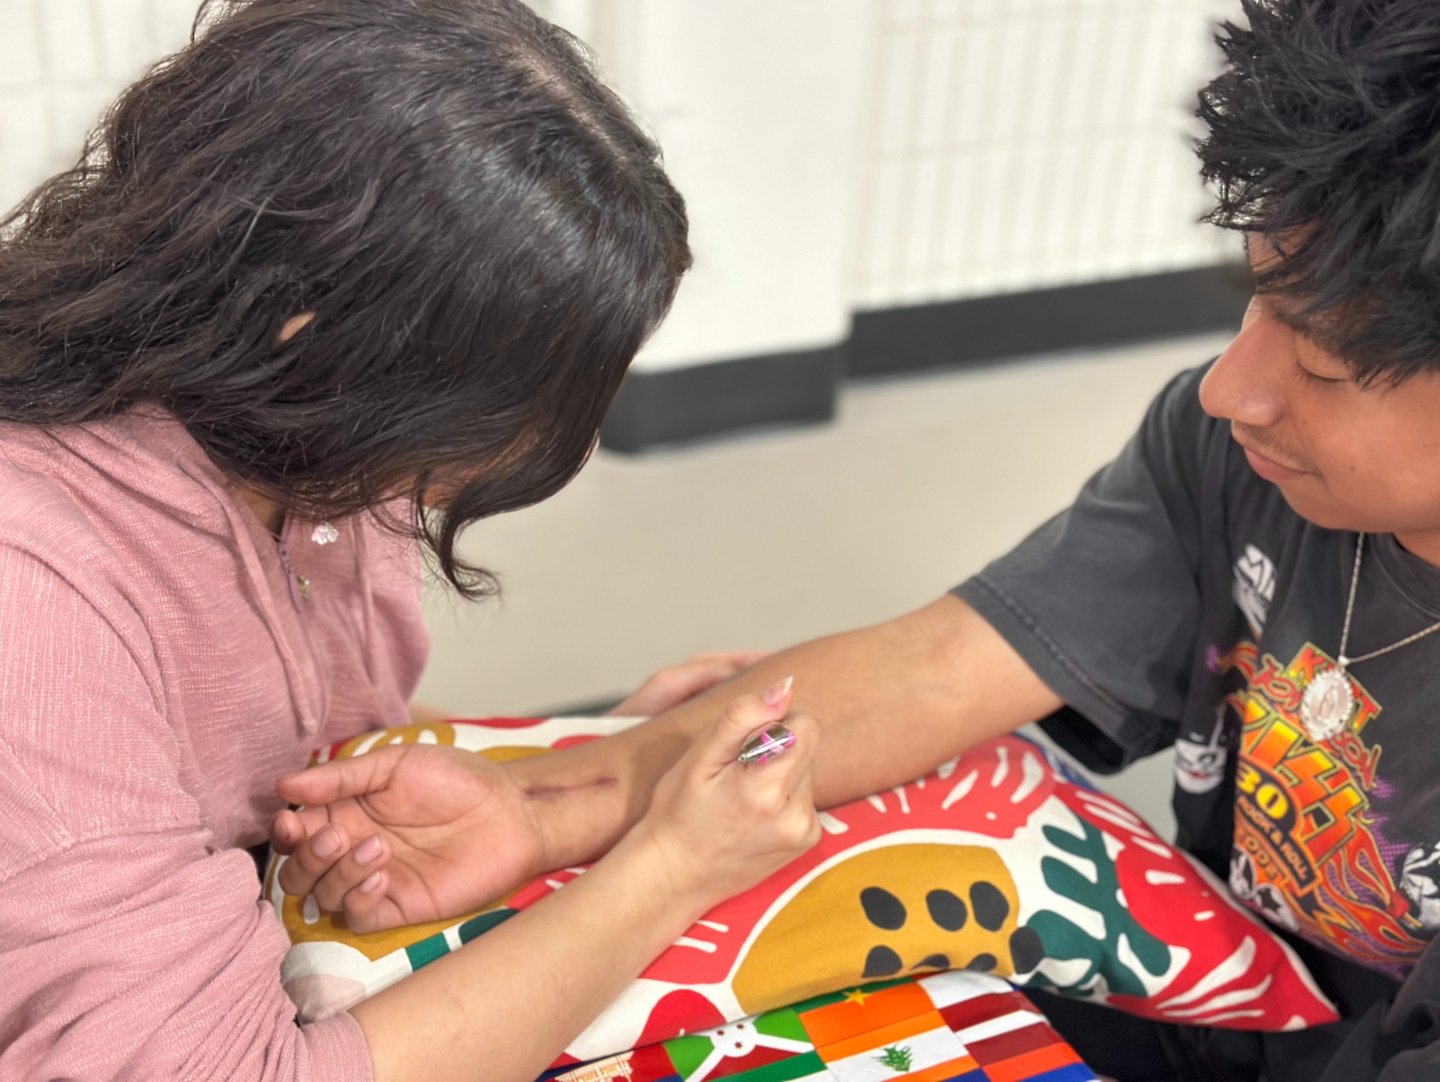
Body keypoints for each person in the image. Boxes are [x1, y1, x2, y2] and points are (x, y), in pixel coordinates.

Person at [275, 1, 1440, 1079]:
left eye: (1324, 363)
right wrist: (545, 812)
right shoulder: (1229, 454)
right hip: (1219, 1003)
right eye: (1253, 300)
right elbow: (936, 669)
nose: (1235, 387)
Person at [0, 1, 825, 1080]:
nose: (530, 449)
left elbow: (273, 723)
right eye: (500, 402)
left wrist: (566, 749)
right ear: (307, 324)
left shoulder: (292, 441)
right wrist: (670, 867)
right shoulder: (37, 599)